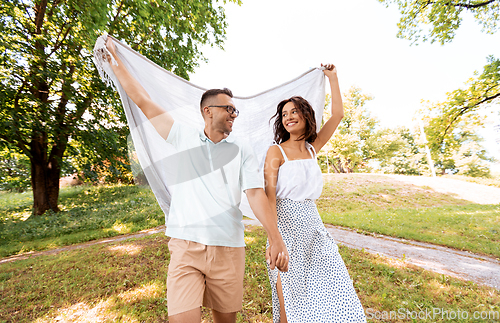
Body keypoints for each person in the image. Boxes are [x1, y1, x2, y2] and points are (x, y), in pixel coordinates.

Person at [105, 37, 289, 323]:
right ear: (208, 110)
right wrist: (114, 62)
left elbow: (255, 194)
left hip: (229, 247)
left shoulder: (242, 149)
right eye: (229, 109)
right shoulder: (181, 135)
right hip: (186, 247)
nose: (233, 114)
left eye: (235, 111)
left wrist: (275, 237)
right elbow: (143, 100)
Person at [263, 64, 366, 323]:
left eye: (294, 111)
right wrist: (273, 239)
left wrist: (333, 78)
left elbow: (338, 115)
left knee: (335, 288)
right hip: (285, 230)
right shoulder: (276, 152)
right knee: (289, 294)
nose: (288, 117)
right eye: (284, 114)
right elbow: (269, 197)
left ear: (307, 115)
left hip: (314, 228)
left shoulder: (312, 148)